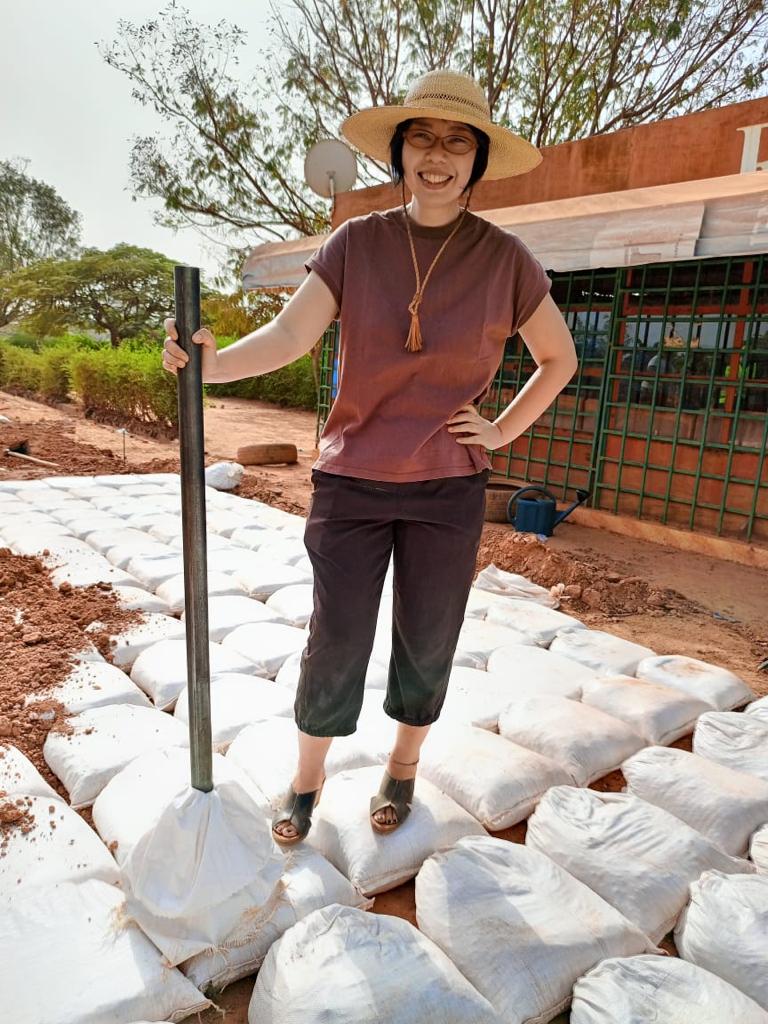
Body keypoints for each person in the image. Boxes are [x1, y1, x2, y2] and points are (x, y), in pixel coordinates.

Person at [162, 69, 577, 846]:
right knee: (338, 637)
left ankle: (404, 767)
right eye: (422, 136)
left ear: (479, 158)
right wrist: (209, 365)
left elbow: (559, 358)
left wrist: (503, 432)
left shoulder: (505, 258)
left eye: (458, 141)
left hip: (449, 489)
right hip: (351, 481)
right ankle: (308, 778)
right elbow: (290, 336)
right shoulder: (357, 242)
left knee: (427, 637)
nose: (438, 154)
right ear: (399, 150)